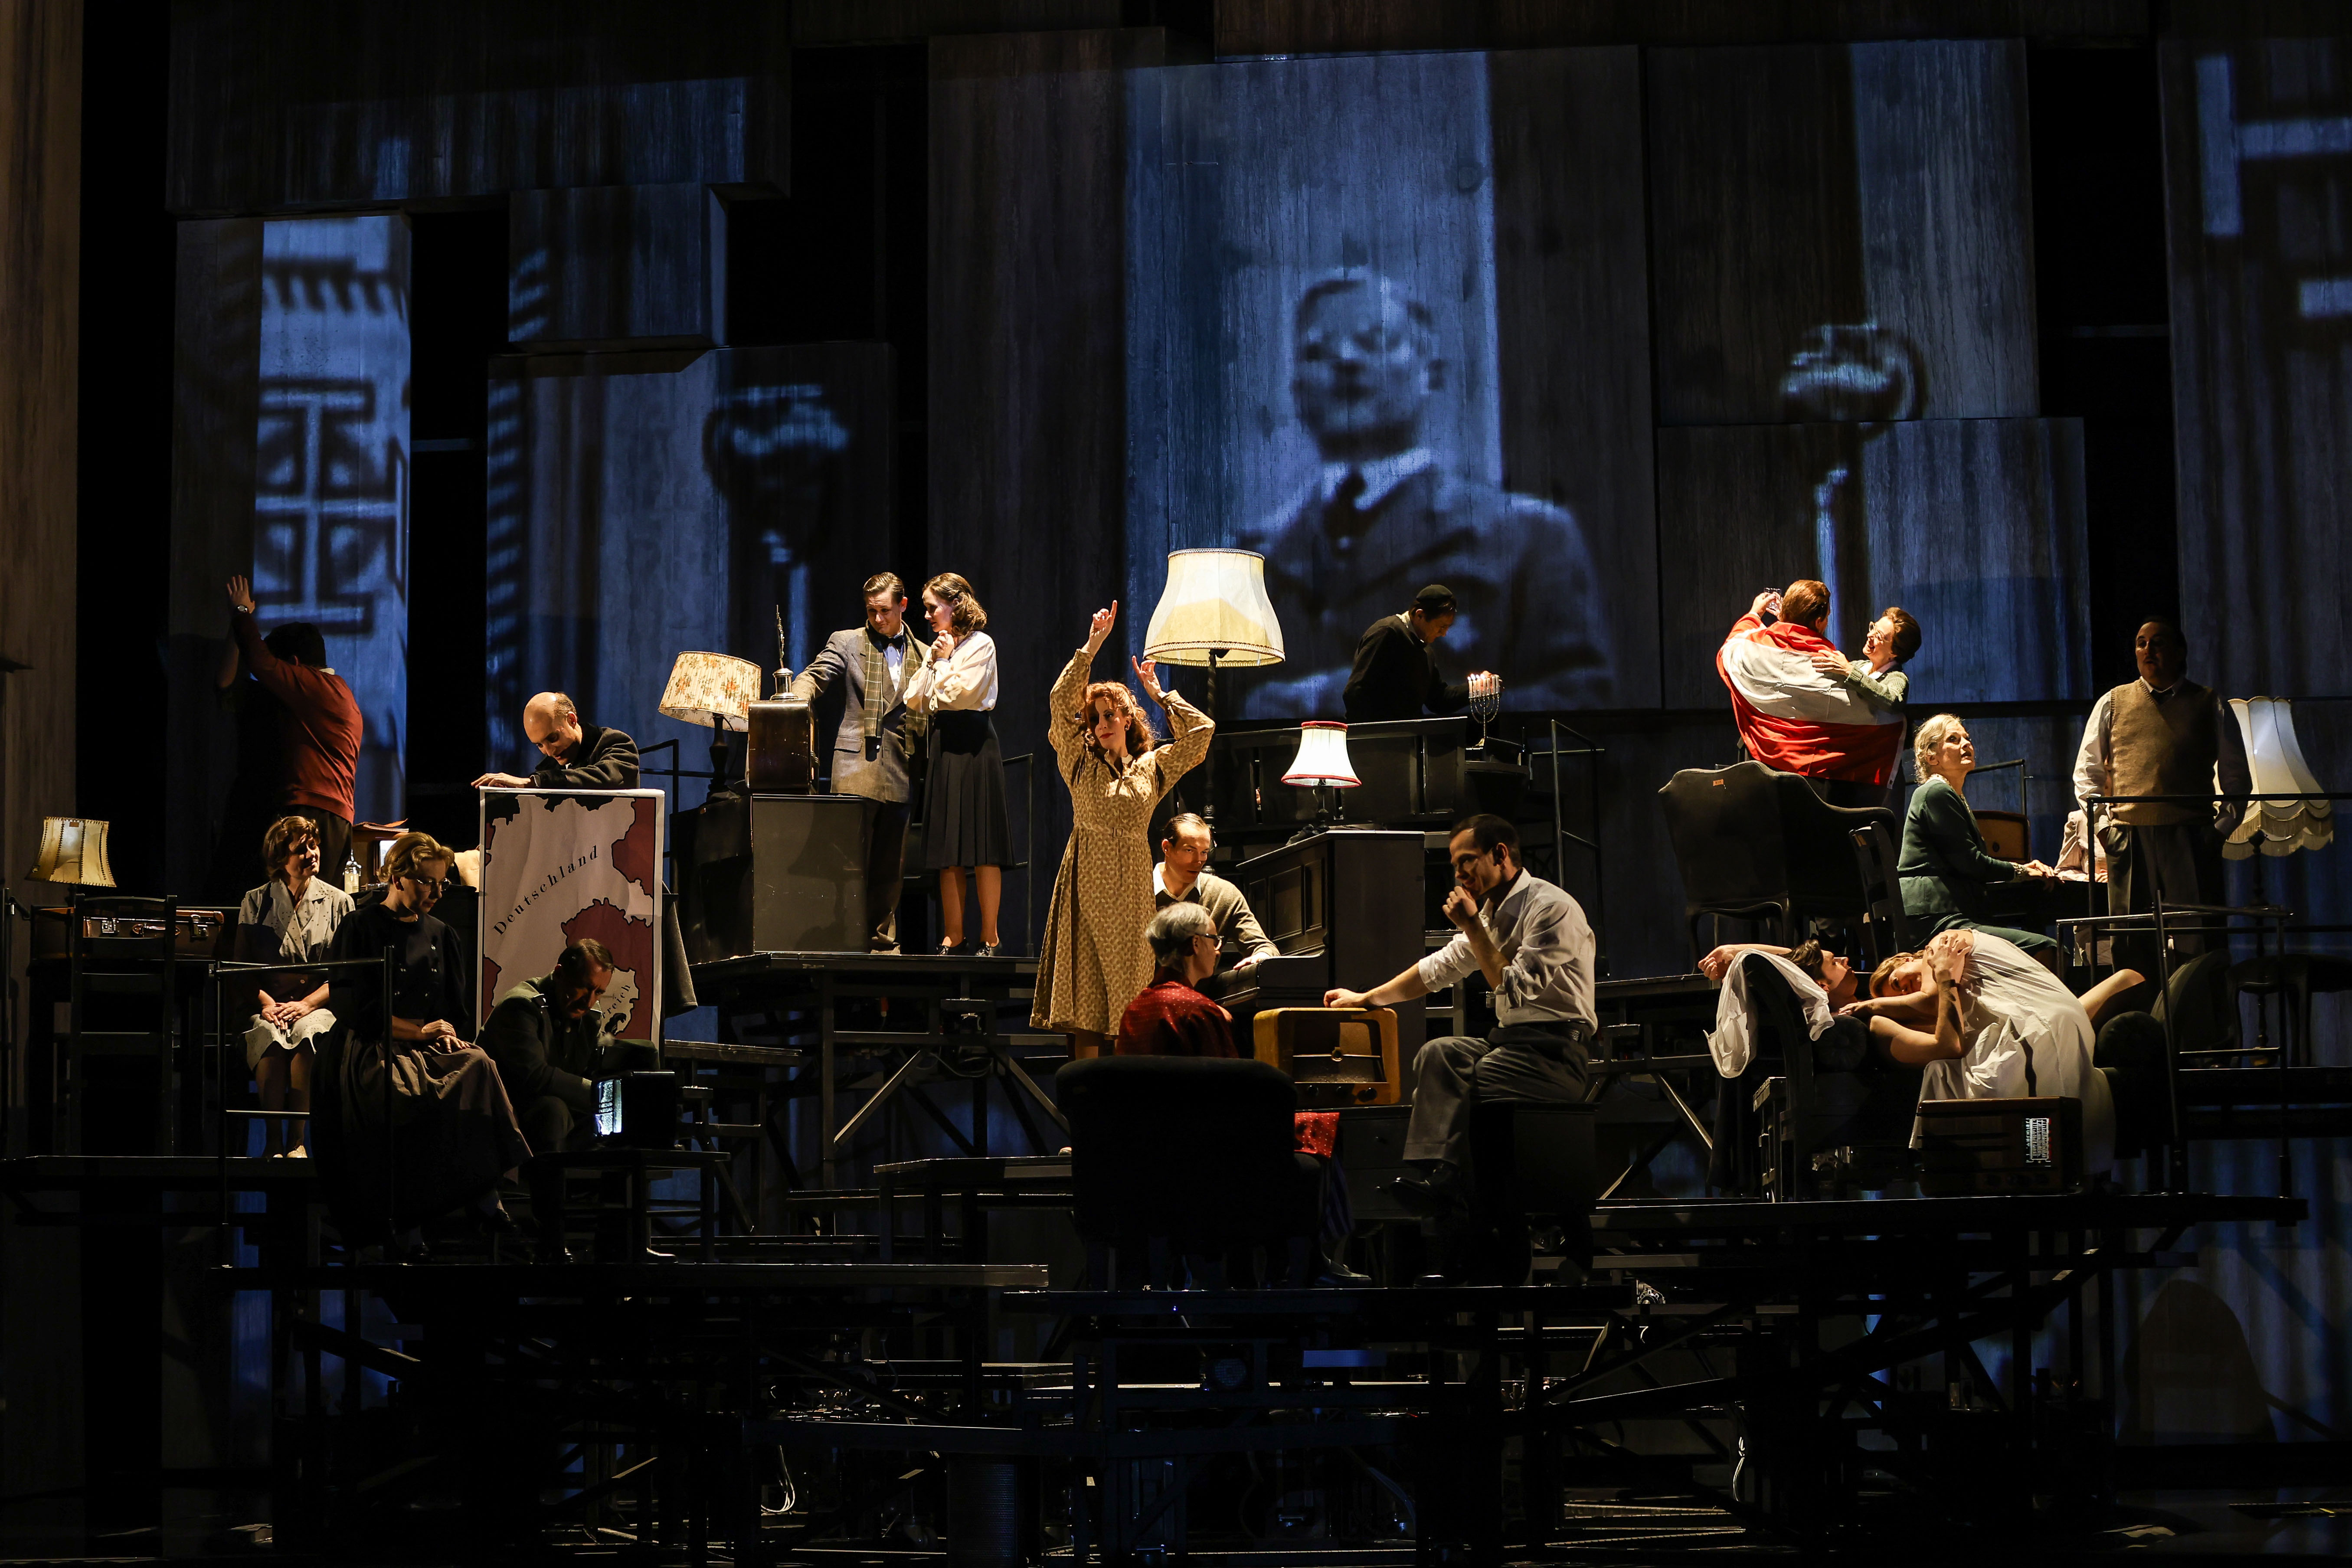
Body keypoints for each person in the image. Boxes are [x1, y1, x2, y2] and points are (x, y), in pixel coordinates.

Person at [1233, 272, 1611, 716]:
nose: (1346, 360)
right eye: (1318, 351)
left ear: (1431, 372)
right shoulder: (1254, 559)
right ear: (1296, 390)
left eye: (1375, 340)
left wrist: (1412, 708)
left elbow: (1579, 710)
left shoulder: (1529, 537)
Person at [1324, 814, 1596, 1227]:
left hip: (1557, 1052)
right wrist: (1367, 999)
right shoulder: (1491, 911)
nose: (1458, 873)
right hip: (1510, 1043)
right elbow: (1438, 968)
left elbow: (1515, 987)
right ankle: (1434, 1175)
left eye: (1466, 860)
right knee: (1440, 1053)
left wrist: (1471, 925)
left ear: (1499, 854)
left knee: (1476, 1077)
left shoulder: (1551, 908)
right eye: (1454, 865)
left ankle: (1455, 1187)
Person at [326, 831, 531, 1258]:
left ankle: (486, 1193)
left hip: (425, 1047)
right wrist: (416, 1032)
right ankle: (408, 1222)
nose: (437, 892)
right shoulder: (359, 926)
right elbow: (352, 1007)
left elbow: (454, 1009)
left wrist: (447, 1034)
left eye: (443, 884)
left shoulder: (442, 933)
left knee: (478, 1064)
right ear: (398, 877)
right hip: (375, 1045)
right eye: (426, 882)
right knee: (402, 1093)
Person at [1034, 601, 1215, 1055]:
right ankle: (1089, 1100)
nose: (1100, 725)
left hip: (1131, 885)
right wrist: (1091, 646)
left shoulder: (1151, 768)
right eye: (1093, 719)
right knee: (1085, 995)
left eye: (1109, 715)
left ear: (1127, 718)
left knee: (1128, 993)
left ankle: (1126, 1094)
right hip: (1087, 879)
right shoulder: (1079, 762)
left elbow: (1201, 733)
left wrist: (1161, 696)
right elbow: (1059, 705)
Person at [1839, 929, 2146, 1174]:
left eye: (1898, 982)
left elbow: (1931, 998)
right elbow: (1944, 1028)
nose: (1906, 992)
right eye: (1899, 999)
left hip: (2039, 1029)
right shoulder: (1972, 996)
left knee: (2008, 1091)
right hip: (2048, 1025)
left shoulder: (1943, 943)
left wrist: (1873, 1004)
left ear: (1907, 957)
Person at [2071, 620, 2250, 956]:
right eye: (2141, 643)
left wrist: (2218, 832)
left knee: (2198, 940)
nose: (2147, 650)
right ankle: (2137, 1010)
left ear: (2179, 651)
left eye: (2157, 642)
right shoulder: (2112, 703)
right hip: (2129, 835)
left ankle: (2196, 1008)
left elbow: (2237, 778)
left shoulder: (2209, 703)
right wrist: (2104, 828)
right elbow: (2086, 773)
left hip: (2190, 835)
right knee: (2129, 942)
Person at [479, 939, 647, 1262]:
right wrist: (602, 1095)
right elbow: (534, 1077)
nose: (590, 999)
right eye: (584, 987)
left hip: (556, 1121)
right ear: (559, 973)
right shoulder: (522, 1007)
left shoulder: (589, 1017)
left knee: (621, 1130)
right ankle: (550, 1240)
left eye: (599, 992)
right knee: (553, 1110)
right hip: (507, 1125)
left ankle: (619, 1245)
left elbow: (582, 1072)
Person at [789, 573, 931, 952]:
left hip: (902, 767)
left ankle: (882, 942)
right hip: (856, 766)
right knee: (849, 860)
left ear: (903, 606)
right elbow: (817, 675)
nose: (878, 619)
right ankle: (844, 937)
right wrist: (793, 699)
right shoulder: (848, 641)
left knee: (890, 865)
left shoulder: (926, 652)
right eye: (871, 611)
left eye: (885, 611)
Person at [1717, 580, 1907, 808]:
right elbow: (1879, 715)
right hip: (1816, 779)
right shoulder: (1830, 662)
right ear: (1818, 621)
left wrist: (1754, 614)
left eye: (1880, 636)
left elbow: (1730, 649)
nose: (1870, 637)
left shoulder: (1755, 647)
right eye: (1827, 616)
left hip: (1762, 767)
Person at [223, 574, 364, 880]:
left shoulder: (315, 686)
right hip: (337, 816)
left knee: (291, 907)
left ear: (295, 664)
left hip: (310, 810)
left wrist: (242, 612)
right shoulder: (342, 694)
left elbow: (262, 664)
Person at [234, 815, 356, 1156]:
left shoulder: (339, 903)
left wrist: (307, 1005)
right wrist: (266, 1003)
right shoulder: (256, 901)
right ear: (279, 858)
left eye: (313, 846)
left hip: (318, 1003)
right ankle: (273, 1139)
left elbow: (345, 973)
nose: (311, 854)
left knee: (309, 1035)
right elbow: (242, 969)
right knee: (268, 1039)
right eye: (301, 849)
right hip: (271, 1004)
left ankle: (298, 1140)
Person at [905, 572, 1011, 956]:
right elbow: (915, 698)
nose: (929, 615)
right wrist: (937, 660)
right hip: (945, 744)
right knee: (948, 847)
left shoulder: (981, 645)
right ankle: (954, 933)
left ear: (956, 605)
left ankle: (990, 935)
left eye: (933, 607)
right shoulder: (940, 648)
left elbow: (959, 697)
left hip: (975, 742)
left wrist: (945, 662)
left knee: (983, 845)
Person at [1899, 714, 2061, 959]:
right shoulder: (1935, 793)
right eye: (1953, 740)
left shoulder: (1949, 795)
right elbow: (1970, 862)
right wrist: (2022, 872)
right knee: (2047, 949)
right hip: (1936, 918)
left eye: (1967, 738)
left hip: (1948, 912)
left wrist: (2021, 869)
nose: (1966, 744)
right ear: (1930, 757)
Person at [1153, 812, 1277, 998]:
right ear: (1167, 848)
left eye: (1204, 852)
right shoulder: (1137, 890)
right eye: (1190, 850)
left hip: (1198, 1004)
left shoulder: (1223, 893)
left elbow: (1264, 947)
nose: (1200, 861)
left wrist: (1262, 956)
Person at [1341, 584, 1492, 723]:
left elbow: (1439, 700)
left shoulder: (1425, 651)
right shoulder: (1388, 633)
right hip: (1377, 743)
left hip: (1405, 743)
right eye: (1441, 627)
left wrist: (1478, 689)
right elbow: (1356, 692)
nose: (1444, 634)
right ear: (1420, 615)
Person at [1115, 904, 1239, 1057]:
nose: (1217, 951)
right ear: (1196, 943)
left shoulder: (1134, 1010)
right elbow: (1229, 1077)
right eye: (1214, 941)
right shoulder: (1199, 1010)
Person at [472, 692, 641, 792]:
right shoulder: (546, 769)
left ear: (572, 720)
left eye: (553, 739)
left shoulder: (616, 743)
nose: (549, 752)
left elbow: (607, 779)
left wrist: (532, 782)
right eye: (539, 745)